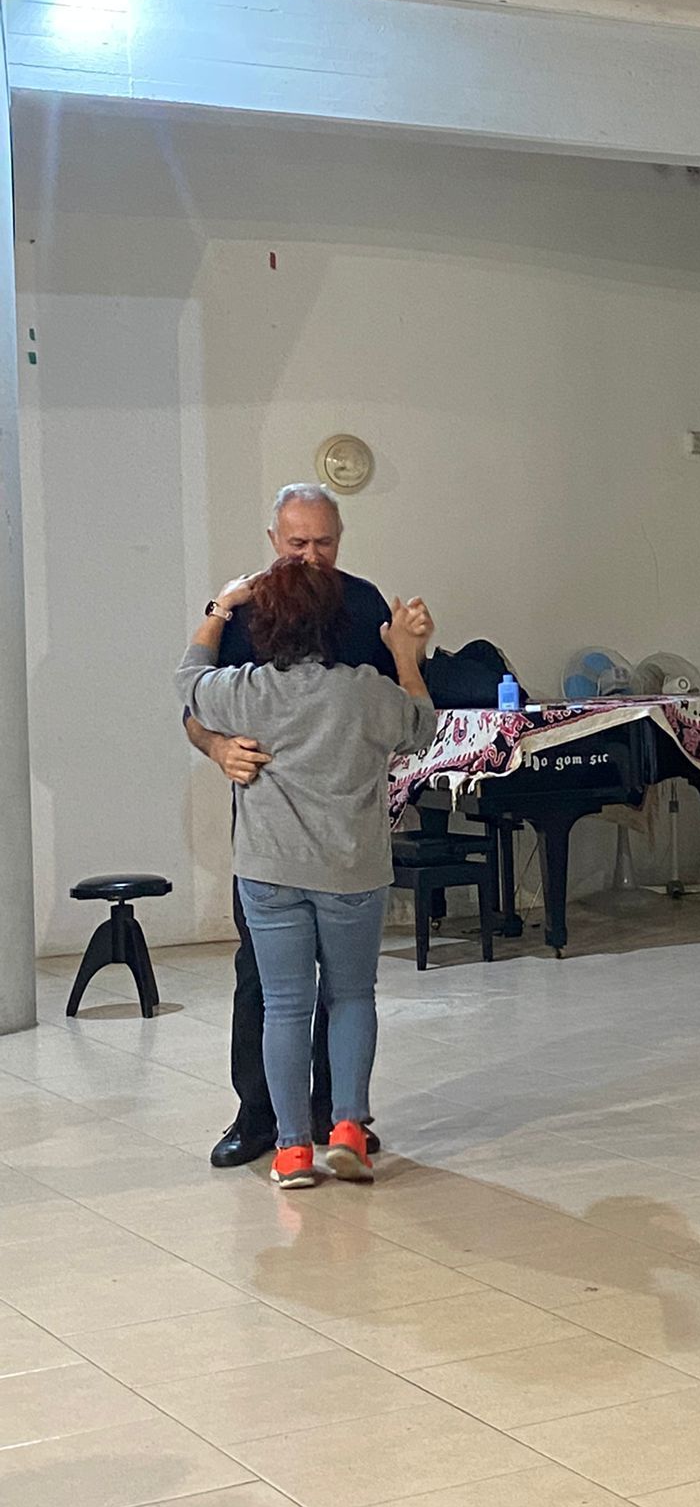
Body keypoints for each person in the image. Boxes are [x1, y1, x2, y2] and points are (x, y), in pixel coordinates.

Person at [186, 483, 427, 1168]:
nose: (311, 554)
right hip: (275, 831)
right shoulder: (244, 609)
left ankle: (325, 1121)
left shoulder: (364, 603)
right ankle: (260, 1118)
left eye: (324, 542)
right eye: (297, 544)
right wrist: (216, 747)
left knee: (322, 992)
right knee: (267, 984)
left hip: (327, 831)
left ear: (341, 537)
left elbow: (191, 682)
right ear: (273, 542)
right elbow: (195, 712)